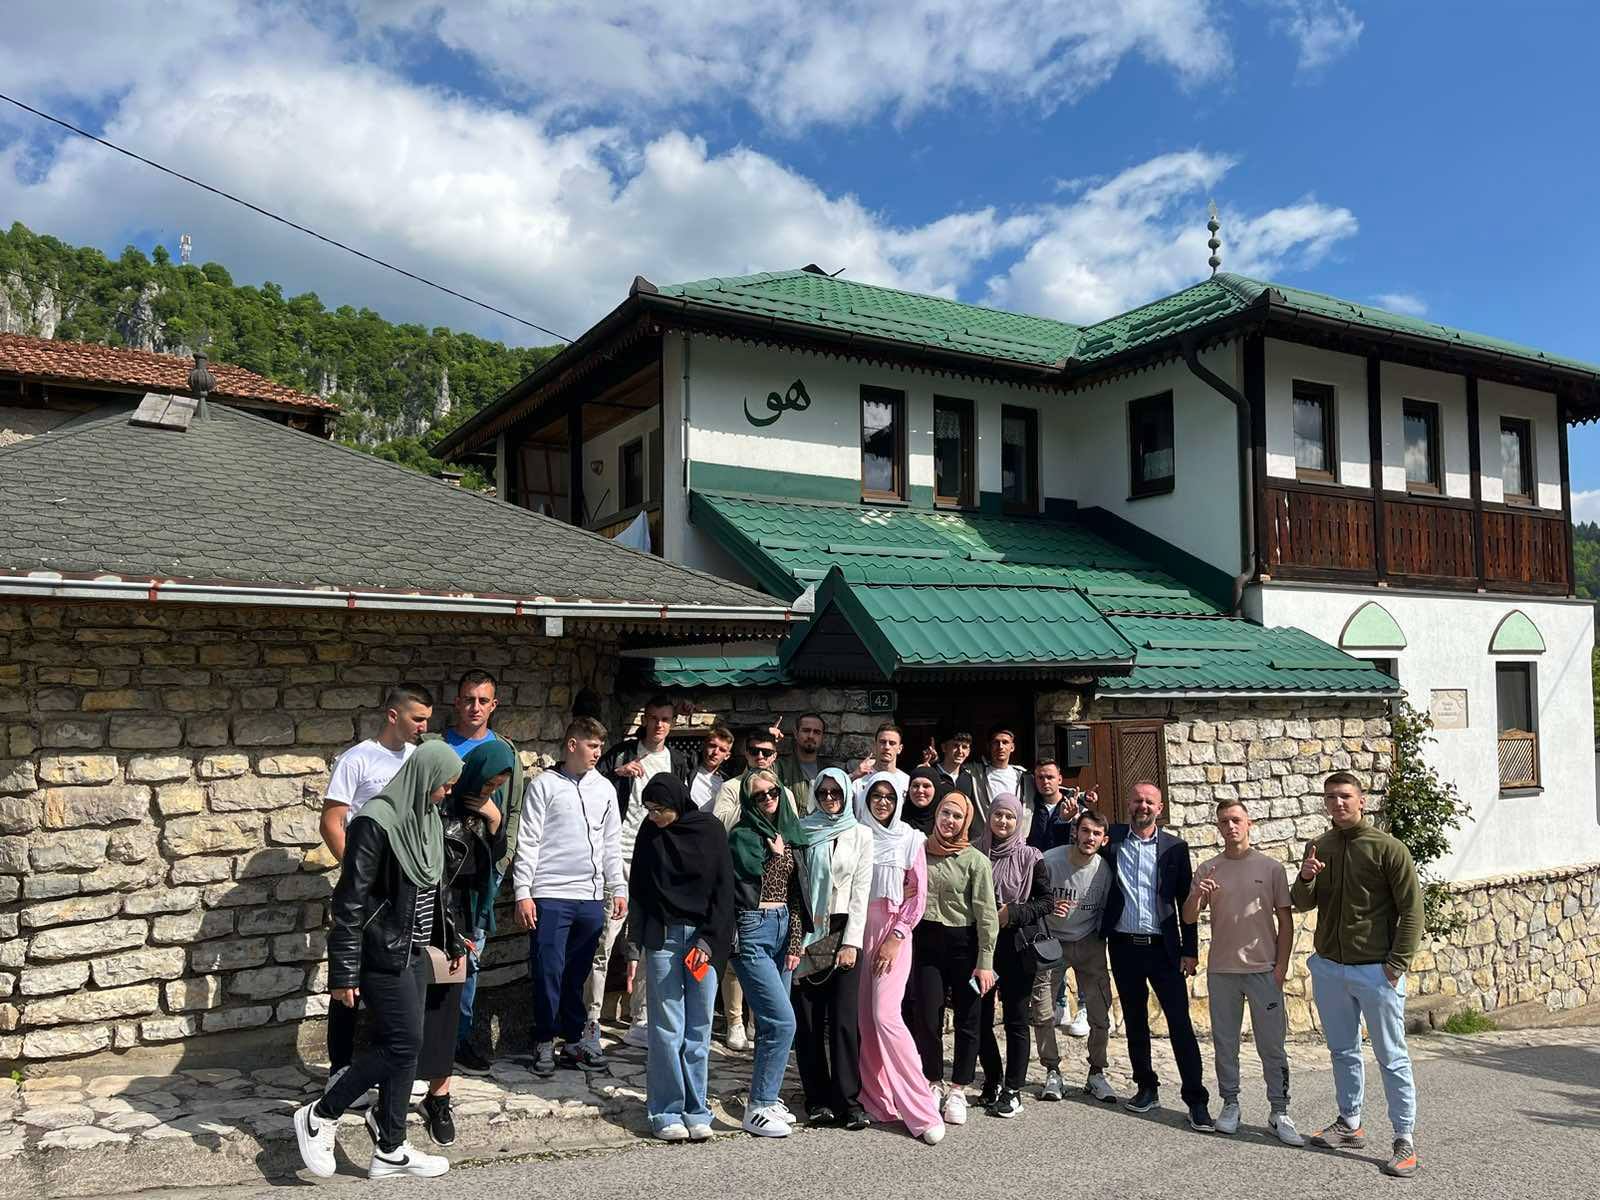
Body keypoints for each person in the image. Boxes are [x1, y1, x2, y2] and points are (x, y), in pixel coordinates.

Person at [295, 740, 463, 1181]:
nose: (447, 792)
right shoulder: (375, 822)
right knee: (403, 1045)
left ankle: (391, 1148)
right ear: (425, 776)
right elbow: (350, 901)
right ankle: (322, 1113)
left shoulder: (426, 819)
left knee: (407, 1046)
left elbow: (434, 889)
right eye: (445, 784)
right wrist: (343, 971)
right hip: (380, 951)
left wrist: (451, 937)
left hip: (413, 950)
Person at [1293, 772, 1424, 1179]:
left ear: (1361, 800)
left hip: (1375, 971)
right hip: (1330, 968)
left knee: (1391, 1056)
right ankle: (1350, 1123)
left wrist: (1396, 964)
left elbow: (1412, 910)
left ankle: (1404, 1139)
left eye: (1345, 796)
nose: (1338, 803)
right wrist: (1306, 875)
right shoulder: (1319, 846)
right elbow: (1301, 903)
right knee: (1342, 1050)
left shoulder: (1388, 849)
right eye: (1331, 797)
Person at [318, 684, 433, 1105]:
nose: (423, 727)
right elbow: (332, 821)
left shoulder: (418, 759)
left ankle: (393, 1070)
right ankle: (340, 1068)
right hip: (368, 894)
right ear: (392, 715)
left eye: (427, 720)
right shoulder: (358, 759)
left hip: (405, 894)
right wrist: (359, 876)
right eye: (417, 719)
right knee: (350, 978)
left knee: (394, 980)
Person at [1183, 798, 1303, 1146]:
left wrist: (1281, 967)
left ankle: (1279, 1110)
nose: (1230, 826)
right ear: (1218, 827)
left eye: (1236, 820)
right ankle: (1230, 1103)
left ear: (1249, 824)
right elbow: (1188, 917)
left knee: (1272, 1045)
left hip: (1264, 971)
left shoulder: (1271, 868)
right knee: (1225, 1043)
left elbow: (1285, 921)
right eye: (1224, 821)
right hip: (1222, 971)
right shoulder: (1208, 868)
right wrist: (1198, 895)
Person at [510, 717, 626, 1077]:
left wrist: (618, 887)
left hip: (590, 896)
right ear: (572, 745)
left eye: (601, 746)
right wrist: (523, 892)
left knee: (577, 972)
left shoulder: (604, 789)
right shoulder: (544, 785)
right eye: (592, 745)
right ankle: (544, 1039)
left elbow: (611, 843)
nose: (598, 753)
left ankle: (574, 1040)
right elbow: (528, 840)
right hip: (550, 893)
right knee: (548, 970)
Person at [412, 739, 514, 1146]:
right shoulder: (436, 809)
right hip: (430, 919)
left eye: (496, 788)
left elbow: (491, 861)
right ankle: (399, 1086)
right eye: (486, 785)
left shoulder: (482, 811)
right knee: (414, 1007)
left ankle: (439, 1097)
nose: (487, 792)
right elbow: (434, 877)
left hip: (463, 920)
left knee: (447, 1008)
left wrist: (495, 819)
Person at [1102, 782, 1212, 1131]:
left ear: (1160, 808)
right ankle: (1146, 1087)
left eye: (1149, 801)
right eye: (1137, 800)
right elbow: (1080, 836)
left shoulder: (1175, 848)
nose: (1143, 806)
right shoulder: (1112, 840)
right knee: (1135, 1021)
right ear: (1128, 804)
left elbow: (1185, 901)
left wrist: (1190, 950)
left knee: (1180, 1024)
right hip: (1123, 947)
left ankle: (1196, 1100)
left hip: (1164, 950)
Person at [630, 774, 734, 1142]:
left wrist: (709, 940)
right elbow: (639, 889)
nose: (654, 816)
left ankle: (696, 1110)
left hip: (703, 941)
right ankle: (666, 1111)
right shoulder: (649, 832)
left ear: (678, 803)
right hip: (663, 939)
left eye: (659, 809)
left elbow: (724, 890)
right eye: (649, 809)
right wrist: (634, 946)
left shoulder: (710, 831)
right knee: (666, 1028)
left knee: (698, 1027)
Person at [437, 670, 526, 1079]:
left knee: (470, 961)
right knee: (433, 959)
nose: (475, 707)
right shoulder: (436, 746)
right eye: (468, 699)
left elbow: (513, 810)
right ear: (457, 701)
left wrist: (503, 860)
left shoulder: (505, 752)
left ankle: (459, 1040)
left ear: (494, 705)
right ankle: (430, 1041)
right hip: (439, 872)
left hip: (482, 874)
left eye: (483, 700)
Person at [591, 695, 690, 1051]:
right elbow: (590, 781)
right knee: (605, 938)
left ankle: (641, 1019)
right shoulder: (621, 753)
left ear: (672, 723)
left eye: (666, 719)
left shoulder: (678, 761)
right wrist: (617, 772)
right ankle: (590, 1019)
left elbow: (683, 808)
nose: (659, 724)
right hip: (619, 852)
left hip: (657, 857)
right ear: (644, 720)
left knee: (652, 938)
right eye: (654, 718)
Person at [854, 771, 945, 1145]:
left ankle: (922, 1108)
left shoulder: (910, 839)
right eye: (876, 795)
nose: (882, 802)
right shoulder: (858, 834)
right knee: (865, 1019)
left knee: (885, 1015)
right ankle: (878, 1100)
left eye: (889, 797)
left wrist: (896, 936)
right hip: (858, 929)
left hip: (894, 931)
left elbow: (917, 897)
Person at [727, 768, 812, 1137]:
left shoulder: (790, 833)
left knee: (770, 1024)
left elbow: (796, 894)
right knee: (782, 1022)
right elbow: (741, 881)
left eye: (772, 792)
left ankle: (768, 1096)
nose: (767, 799)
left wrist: (794, 943)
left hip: (782, 927)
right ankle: (758, 1106)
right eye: (759, 795)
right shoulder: (742, 836)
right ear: (749, 801)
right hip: (752, 928)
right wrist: (771, 853)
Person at [907, 787, 997, 1129]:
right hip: (926, 943)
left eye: (957, 816)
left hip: (964, 945)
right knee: (927, 1015)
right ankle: (933, 1080)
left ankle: (958, 1088)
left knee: (968, 1018)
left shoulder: (976, 861)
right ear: (937, 814)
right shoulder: (919, 852)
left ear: (966, 822)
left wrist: (985, 962)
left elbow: (987, 915)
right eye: (945, 813)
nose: (950, 820)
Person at [792, 766, 873, 1128]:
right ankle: (817, 1099)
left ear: (846, 795)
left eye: (835, 793)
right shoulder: (802, 830)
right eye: (823, 793)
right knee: (809, 1020)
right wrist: (795, 938)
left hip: (842, 929)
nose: (829, 799)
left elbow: (861, 891)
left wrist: (852, 942)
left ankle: (848, 1101)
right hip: (809, 931)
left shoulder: (860, 834)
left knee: (843, 1020)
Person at [712, 725, 797, 1051]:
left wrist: (770, 798)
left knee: (773, 977)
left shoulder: (783, 791)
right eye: (754, 751)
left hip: (776, 892)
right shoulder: (732, 787)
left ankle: (754, 1023)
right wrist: (753, 801)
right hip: (744, 883)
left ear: (775, 756)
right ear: (745, 753)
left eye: (767, 752)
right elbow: (720, 822)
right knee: (738, 964)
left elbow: (790, 830)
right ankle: (734, 1020)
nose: (760, 756)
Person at [976, 795, 1054, 1119]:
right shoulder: (976, 852)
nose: (1003, 822)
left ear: (1018, 820)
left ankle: (1013, 1089)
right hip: (982, 948)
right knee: (978, 1017)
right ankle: (993, 1078)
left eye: (1010, 816)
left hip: (1017, 947)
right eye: (998, 815)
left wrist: (1013, 913)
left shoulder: (1031, 857)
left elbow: (1046, 902)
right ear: (990, 817)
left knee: (1016, 1019)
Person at [1026, 759, 1094, 1037]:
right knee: (1053, 946)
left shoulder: (1078, 808)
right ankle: (1060, 1003)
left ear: (1060, 779)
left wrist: (1072, 818)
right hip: (1044, 885)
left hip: (1075, 884)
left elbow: (1088, 841)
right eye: (1040, 777)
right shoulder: (1032, 808)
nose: (1045, 782)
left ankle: (1084, 1008)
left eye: (1050, 777)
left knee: (1081, 948)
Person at [972, 724, 1031, 826]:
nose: (1000, 747)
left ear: (1012, 747)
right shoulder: (975, 773)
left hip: (1016, 833)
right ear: (989, 746)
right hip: (986, 833)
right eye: (996, 742)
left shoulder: (1025, 777)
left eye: (1005, 742)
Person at [774, 712, 831, 815]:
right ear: (796, 733)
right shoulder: (779, 767)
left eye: (817, 732)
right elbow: (753, 779)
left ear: (823, 737)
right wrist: (767, 744)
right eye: (806, 730)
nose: (811, 736)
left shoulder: (830, 771)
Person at [851, 723, 909, 798]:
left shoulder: (907, 782)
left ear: (900, 749)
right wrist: (852, 776)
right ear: (875, 745)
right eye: (882, 742)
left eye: (892, 743)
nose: (887, 747)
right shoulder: (859, 780)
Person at [689, 723, 735, 810]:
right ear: (703, 745)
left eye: (722, 750)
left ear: (727, 756)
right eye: (712, 746)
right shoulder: (686, 771)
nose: (715, 752)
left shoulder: (727, 782)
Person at [931, 728, 977, 802]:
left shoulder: (969, 778)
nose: (960, 751)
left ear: (968, 752)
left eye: (964, 747)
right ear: (944, 747)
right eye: (955, 746)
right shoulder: (932, 774)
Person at [899, 766, 942, 835]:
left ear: (936, 789)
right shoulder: (897, 819)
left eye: (926, 786)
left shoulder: (943, 822)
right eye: (916, 786)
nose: (920, 790)